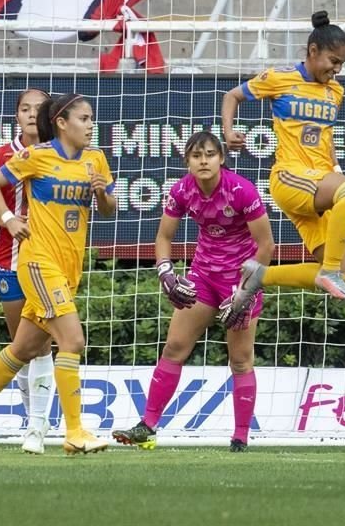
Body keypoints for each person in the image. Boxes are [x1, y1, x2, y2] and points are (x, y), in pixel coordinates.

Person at [0, 92, 117, 455]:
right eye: (85, 118)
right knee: (72, 341)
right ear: (62, 122)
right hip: (38, 263)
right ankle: (74, 432)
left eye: (92, 119)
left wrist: (102, 194)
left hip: (69, 267)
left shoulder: (96, 159)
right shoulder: (35, 156)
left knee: (24, 348)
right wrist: (8, 219)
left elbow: (108, 210)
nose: (91, 126)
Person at [111, 132, 274, 452]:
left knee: (240, 360)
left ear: (221, 159)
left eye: (210, 154)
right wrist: (165, 271)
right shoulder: (182, 190)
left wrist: (247, 290)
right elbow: (163, 238)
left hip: (240, 282)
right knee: (174, 347)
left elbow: (267, 244)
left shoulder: (241, 190)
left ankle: (240, 438)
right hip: (202, 277)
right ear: (187, 161)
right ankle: (148, 427)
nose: (203, 160)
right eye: (196, 155)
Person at [221, 10, 345, 313]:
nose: (337, 70)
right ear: (313, 51)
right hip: (290, 176)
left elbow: (326, 139)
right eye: (333, 61)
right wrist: (228, 131)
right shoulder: (280, 77)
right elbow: (232, 96)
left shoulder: (335, 92)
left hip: (320, 181)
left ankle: (260, 275)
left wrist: (336, 172)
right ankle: (327, 272)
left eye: (342, 64)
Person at [0, 87, 54, 454]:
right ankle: (28, 418)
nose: (32, 114)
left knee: (44, 345)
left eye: (39, 108)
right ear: (16, 116)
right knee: (21, 348)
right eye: (25, 109)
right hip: (10, 262)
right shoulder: (2, 156)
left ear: (52, 115)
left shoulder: (62, 154)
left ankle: (38, 428)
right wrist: (5, 219)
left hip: (49, 264)